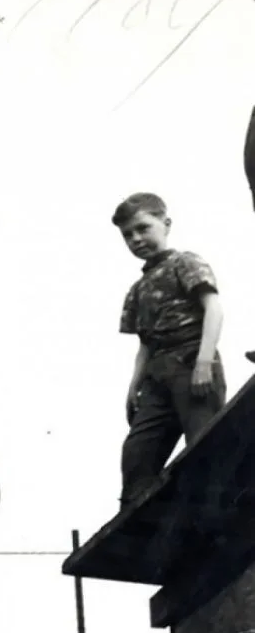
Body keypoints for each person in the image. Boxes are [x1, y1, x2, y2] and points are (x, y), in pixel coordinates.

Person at [112, 192, 226, 507]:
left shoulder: (185, 262)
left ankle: (210, 521)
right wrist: (134, 386)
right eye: (127, 235)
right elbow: (145, 343)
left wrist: (204, 362)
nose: (136, 239)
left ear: (165, 224)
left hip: (191, 361)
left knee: (204, 448)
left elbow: (213, 310)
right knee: (137, 455)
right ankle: (139, 526)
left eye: (143, 228)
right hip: (156, 374)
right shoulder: (138, 289)